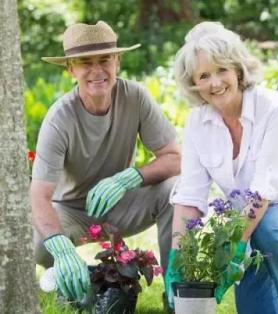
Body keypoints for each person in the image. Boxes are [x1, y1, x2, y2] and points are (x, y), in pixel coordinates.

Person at [165, 21, 278, 313]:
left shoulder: (274, 109)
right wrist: (176, 260)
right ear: (194, 83)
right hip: (249, 224)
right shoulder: (197, 123)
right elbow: (190, 196)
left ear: (238, 69)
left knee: (271, 229)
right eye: (204, 75)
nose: (215, 83)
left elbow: (263, 191)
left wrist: (234, 249)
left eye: (222, 70)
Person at [32, 21, 180, 302]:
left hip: (122, 201)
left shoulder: (135, 97)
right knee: (41, 243)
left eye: (105, 60)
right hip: (73, 210)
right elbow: (39, 195)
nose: (97, 70)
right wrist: (60, 247)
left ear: (118, 62)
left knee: (176, 190)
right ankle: (70, 276)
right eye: (85, 62)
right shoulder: (60, 118)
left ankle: (176, 290)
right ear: (70, 69)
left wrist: (129, 177)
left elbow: (174, 158)